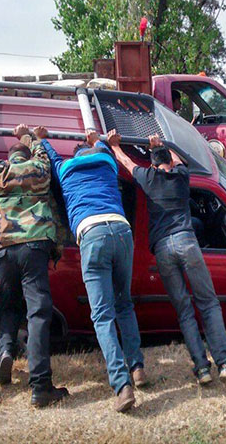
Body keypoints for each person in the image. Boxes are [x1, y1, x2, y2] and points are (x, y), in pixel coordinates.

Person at [108, 130, 226, 390]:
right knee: (208, 303)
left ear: (153, 165)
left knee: (184, 311)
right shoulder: (181, 176)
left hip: (162, 250)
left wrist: (116, 146)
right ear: (170, 164)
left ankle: (202, 368)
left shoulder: (147, 178)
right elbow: (179, 159)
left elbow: (126, 162)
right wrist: (162, 144)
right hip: (186, 242)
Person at [40, 128, 145, 413]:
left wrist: (41, 137)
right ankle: (137, 367)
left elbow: (51, 155)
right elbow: (103, 146)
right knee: (124, 304)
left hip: (92, 234)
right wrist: (96, 139)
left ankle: (122, 385)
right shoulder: (106, 161)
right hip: (121, 230)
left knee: (102, 315)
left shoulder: (64, 170)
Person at [0, 120, 69, 408]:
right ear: (26, 155)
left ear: (10, 157)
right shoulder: (37, 169)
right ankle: (41, 385)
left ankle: (6, 352)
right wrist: (27, 135)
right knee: (38, 312)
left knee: (9, 304)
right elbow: (42, 152)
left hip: (3, 248)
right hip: (34, 244)